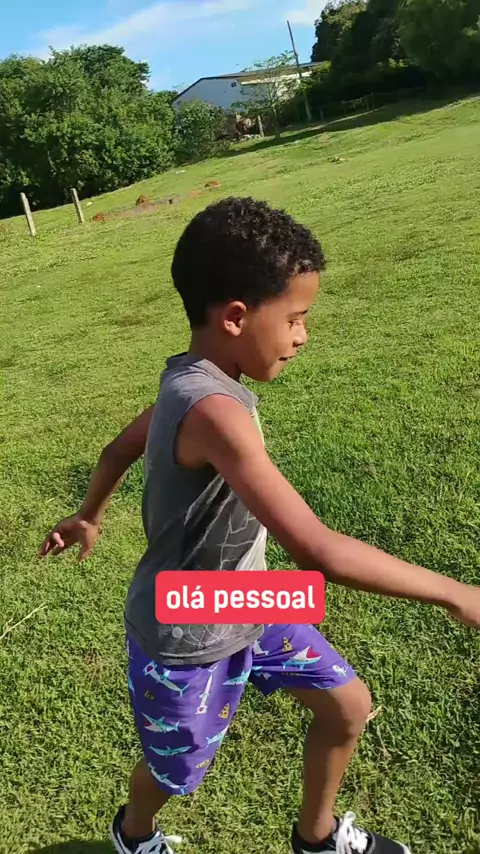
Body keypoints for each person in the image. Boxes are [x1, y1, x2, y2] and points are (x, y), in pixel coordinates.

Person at [41, 197, 480, 854]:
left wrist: (88, 515)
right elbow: (317, 549)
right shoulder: (213, 411)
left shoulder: (190, 382)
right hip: (185, 625)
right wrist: (456, 592)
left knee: (348, 706)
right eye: (295, 318)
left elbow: (117, 449)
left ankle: (318, 838)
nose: (303, 336)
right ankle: (134, 835)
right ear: (236, 317)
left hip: (246, 596)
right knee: (176, 769)